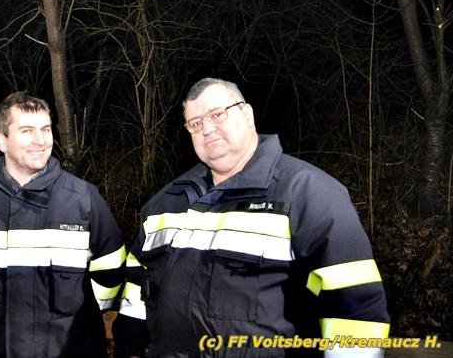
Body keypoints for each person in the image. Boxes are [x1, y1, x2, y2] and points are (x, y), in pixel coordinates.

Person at [113, 78, 390, 358]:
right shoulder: (165, 203)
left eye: (217, 115)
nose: (207, 129)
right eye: (195, 123)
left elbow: (357, 310)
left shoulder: (308, 193)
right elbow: (138, 285)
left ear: (247, 114)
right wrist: (129, 348)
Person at [0, 92, 126, 357]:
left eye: (46, 129)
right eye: (27, 131)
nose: (40, 140)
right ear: (1, 140)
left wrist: (77, 317)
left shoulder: (84, 199)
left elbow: (112, 267)